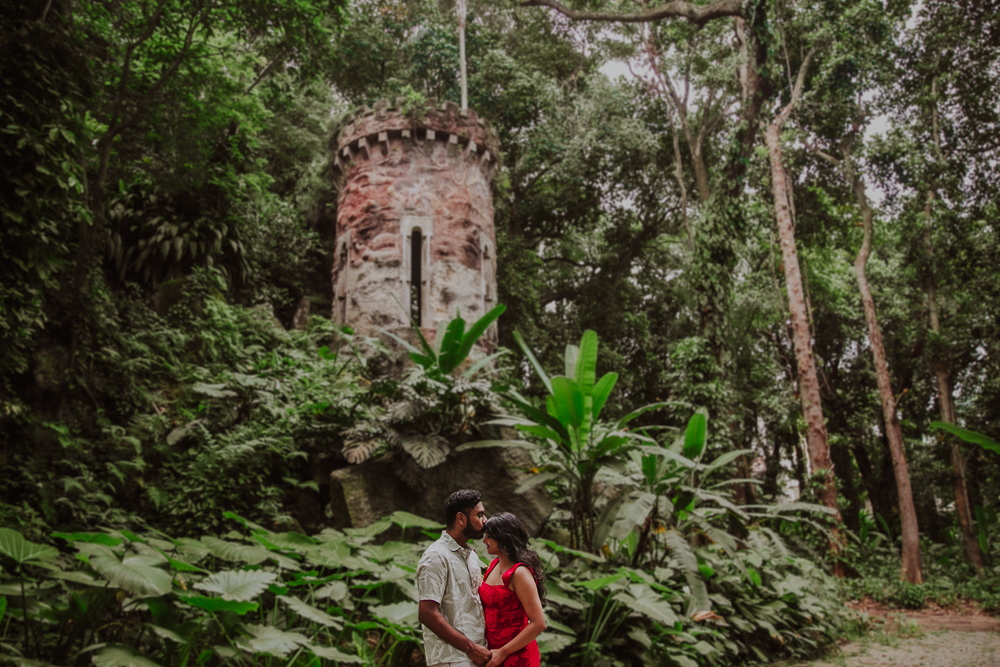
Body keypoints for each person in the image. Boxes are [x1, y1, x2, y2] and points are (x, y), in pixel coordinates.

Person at [417, 489, 492, 667]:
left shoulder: (471, 556)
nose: (485, 520)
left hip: (476, 655)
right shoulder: (436, 556)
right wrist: (470, 648)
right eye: (479, 515)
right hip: (451, 659)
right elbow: (427, 613)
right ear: (461, 519)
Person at [479, 513, 546, 667]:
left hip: (518, 655)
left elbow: (538, 623)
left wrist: (503, 652)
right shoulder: (493, 565)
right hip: (493, 652)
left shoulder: (520, 573)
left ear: (502, 538)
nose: (484, 541)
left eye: (488, 536)